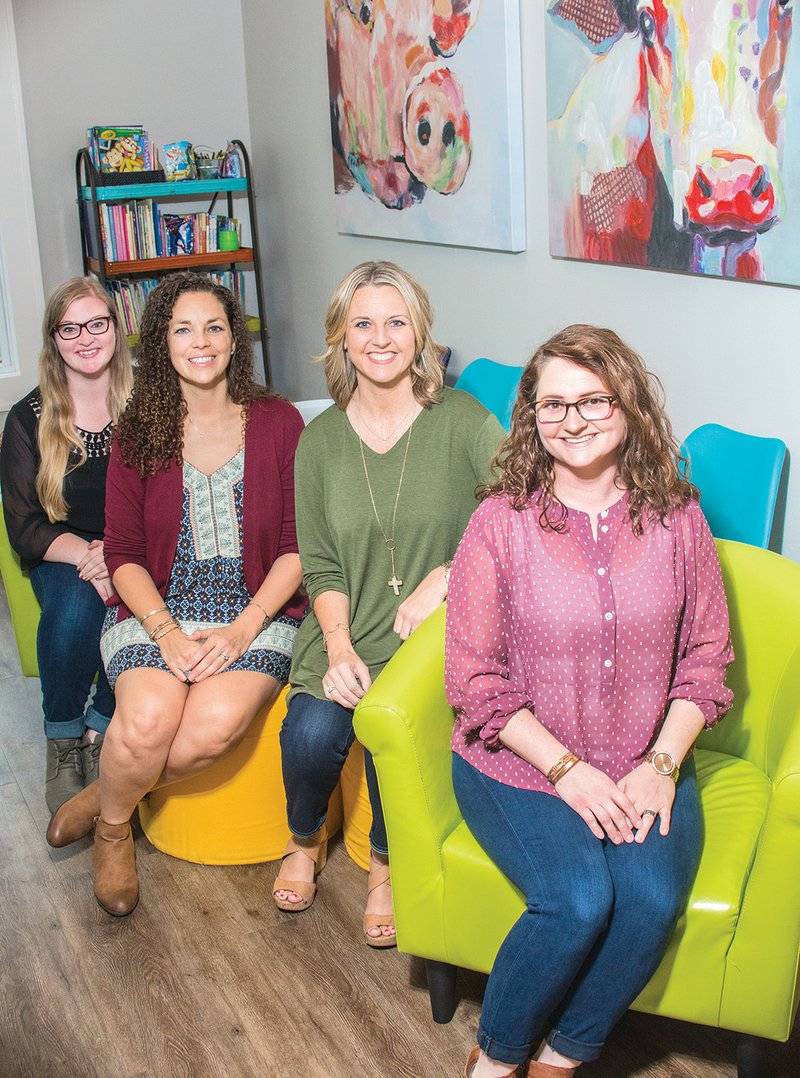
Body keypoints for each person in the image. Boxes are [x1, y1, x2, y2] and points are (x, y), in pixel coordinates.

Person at [444, 325, 734, 1077]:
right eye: (552, 405)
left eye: (592, 400)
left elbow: (706, 661)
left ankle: (564, 1055)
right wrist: (568, 770)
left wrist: (662, 765)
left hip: (646, 759)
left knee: (646, 901)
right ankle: (497, 1059)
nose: (572, 420)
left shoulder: (680, 519)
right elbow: (474, 680)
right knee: (576, 901)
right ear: (531, 419)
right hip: (522, 763)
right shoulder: (498, 525)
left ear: (629, 404)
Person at [46, 272, 305, 917]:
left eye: (214, 326)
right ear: (162, 342)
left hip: (256, 612)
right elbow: (125, 555)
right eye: (182, 329)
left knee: (210, 730)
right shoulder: (140, 429)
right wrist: (163, 630)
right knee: (144, 723)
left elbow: (300, 548)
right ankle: (114, 832)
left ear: (234, 339)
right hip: (156, 607)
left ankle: (106, 796)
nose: (201, 342)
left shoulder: (279, 422)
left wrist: (241, 630)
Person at [276, 260, 504, 946]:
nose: (381, 338)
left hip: (434, 635)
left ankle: (386, 861)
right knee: (311, 736)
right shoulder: (316, 442)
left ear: (420, 333)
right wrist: (339, 647)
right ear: (341, 339)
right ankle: (304, 836)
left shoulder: (463, 420)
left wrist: (447, 574)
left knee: (391, 727)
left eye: (396, 322)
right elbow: (316, 561)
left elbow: (518, 510)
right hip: (344, 627)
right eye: (364, 323)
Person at [1, 278, 132, 813]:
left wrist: (118, 555)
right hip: (60, 549)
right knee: (81, 607)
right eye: (70, 328)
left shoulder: (147, 402)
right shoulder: (26, 419)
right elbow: (25, 527)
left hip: (136, 545)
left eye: (96, 323)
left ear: (115, 328)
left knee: (141, 607)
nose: (85, 338)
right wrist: (87, 556)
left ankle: (102, 729)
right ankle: (63, 739)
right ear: (54, 339)